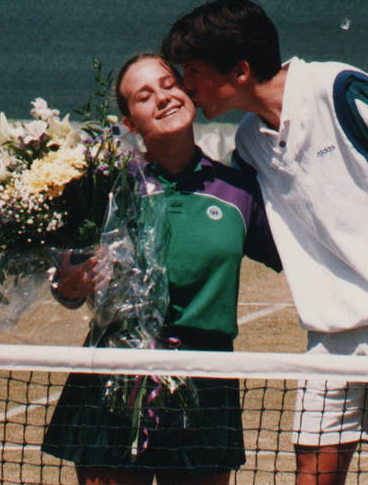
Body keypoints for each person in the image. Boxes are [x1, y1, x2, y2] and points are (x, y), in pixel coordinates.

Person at [160, 0, 368, 485]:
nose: (187, 86)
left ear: (240, 70)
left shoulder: (340, 89)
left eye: (194, 72)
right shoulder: (250, 143)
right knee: (312, 472)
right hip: (329, 334)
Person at [41, 53, 282, 485]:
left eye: (169, 84)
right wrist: (69, 286)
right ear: (129, 123)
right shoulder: (105, 188)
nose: (163, 98)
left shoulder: (239, 191)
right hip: (114, 374)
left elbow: (297, 257)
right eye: (144, 96)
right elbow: (65, 278)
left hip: (206, 381)